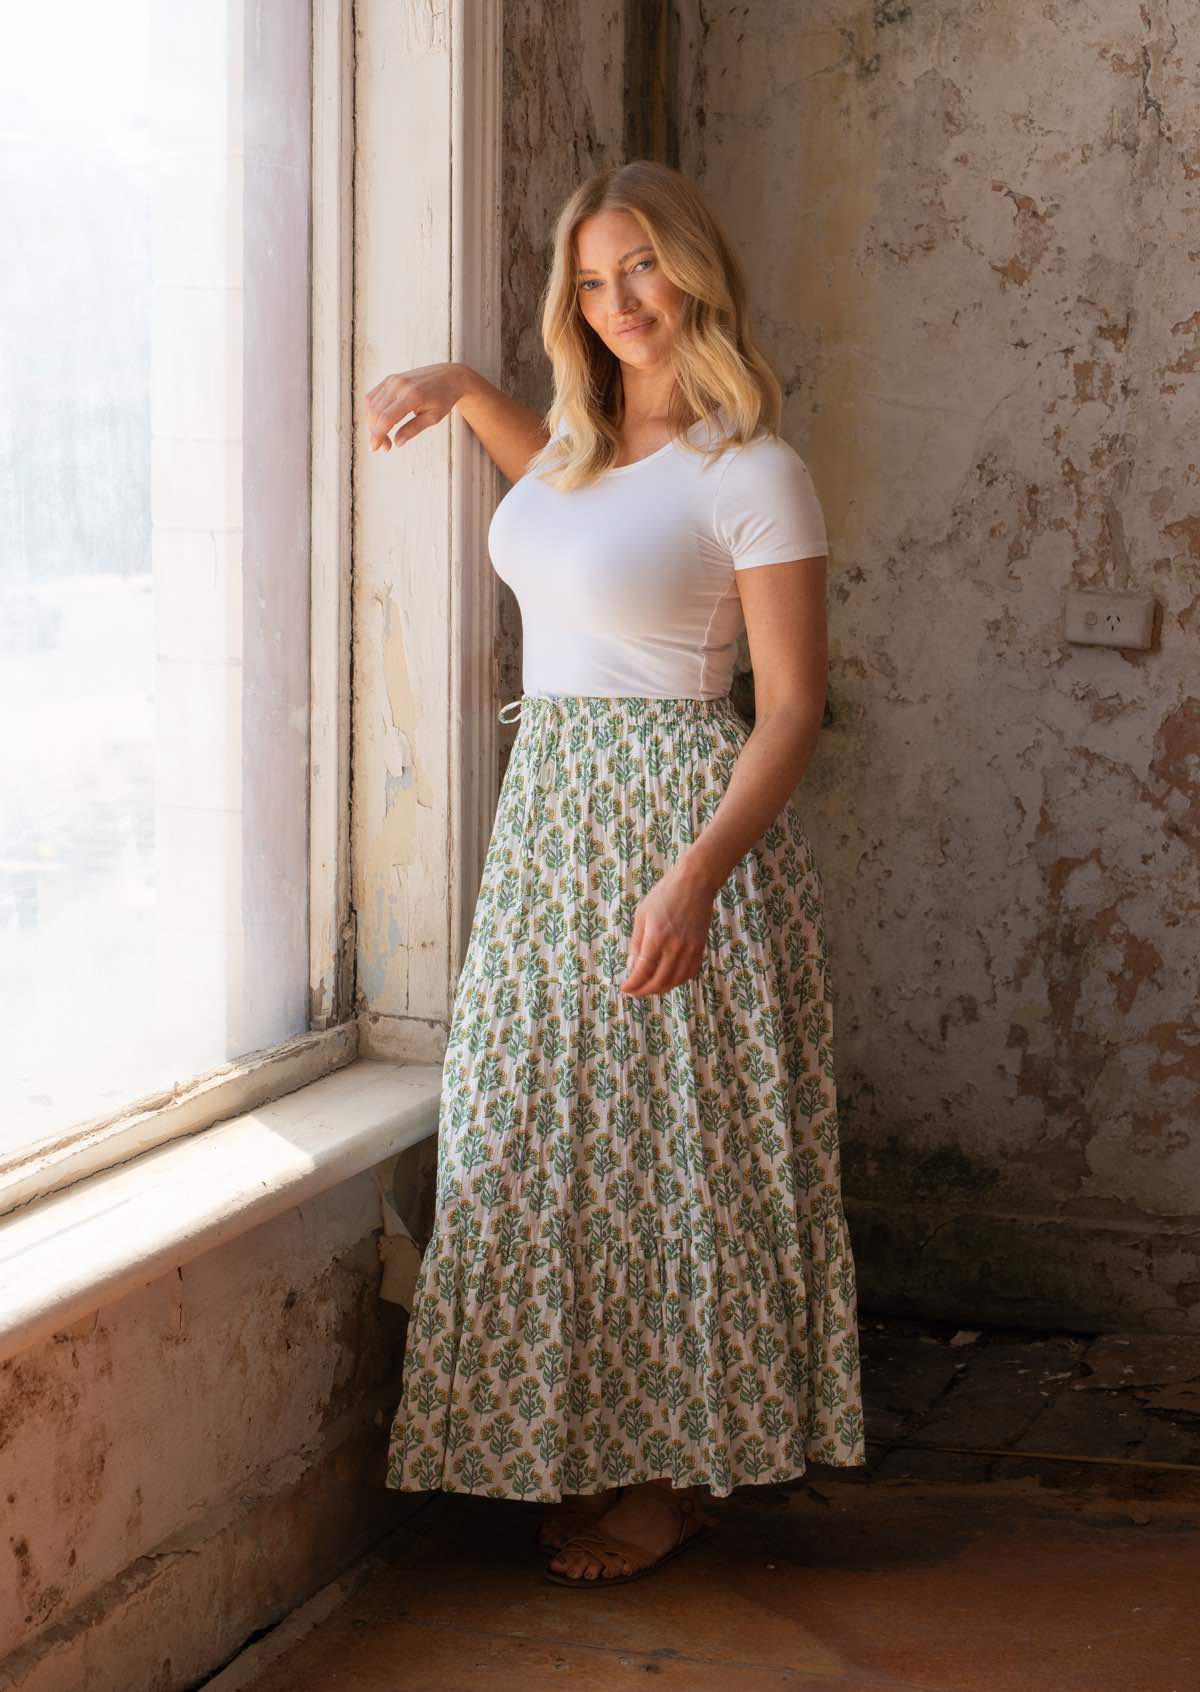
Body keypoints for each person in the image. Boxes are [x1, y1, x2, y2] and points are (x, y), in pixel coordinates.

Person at [363, 158, 866, 1590]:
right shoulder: (581, 450)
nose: (621, 300)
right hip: (548, 836)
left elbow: (791, 708)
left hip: (671, 826)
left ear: (693, 270)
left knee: (676, 1169)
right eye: (592, 280)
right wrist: (465, 388)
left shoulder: (754, 468)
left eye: (640, 266)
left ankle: (667, 1481)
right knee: (539, 1141)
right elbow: (574, 514)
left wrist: (699, 875)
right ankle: (589, 1445)